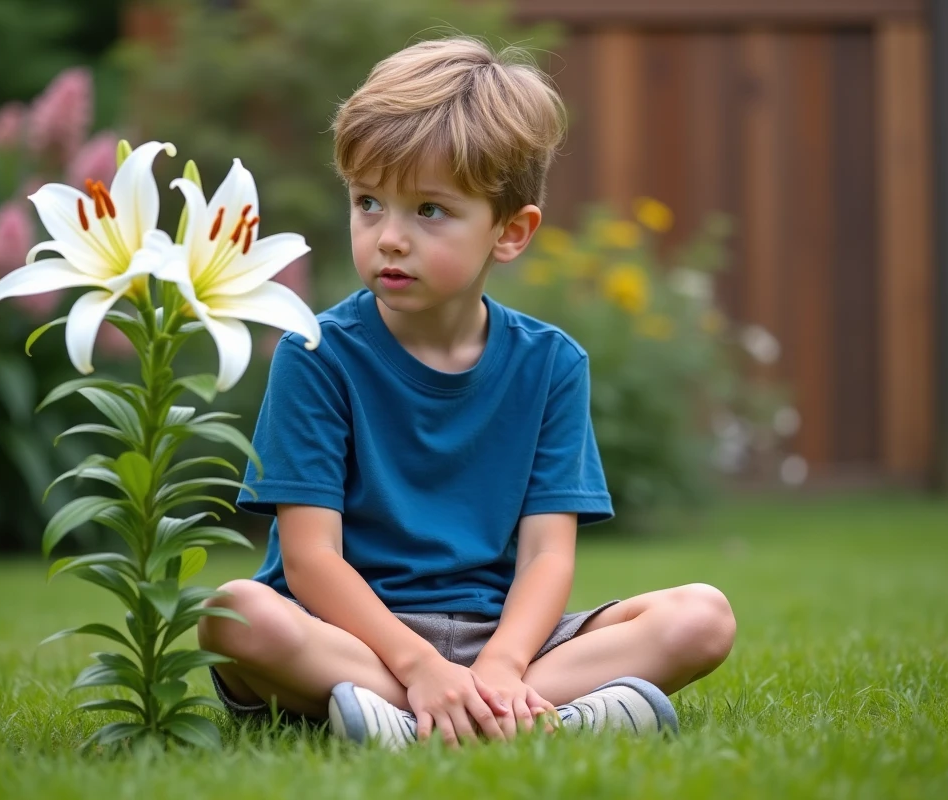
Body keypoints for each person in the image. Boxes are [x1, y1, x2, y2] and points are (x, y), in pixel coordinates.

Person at [197, 36, 736, 749]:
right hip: (347, 633)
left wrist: (508, 663)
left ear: (510, 233)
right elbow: (310, 559)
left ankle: (428, 716)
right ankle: (524, 718)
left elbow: (548, 556)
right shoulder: (316, 353)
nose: (389, 237)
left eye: (428, 211)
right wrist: (418, 663)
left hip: (500, 641)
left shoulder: (551, 365)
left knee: (703, 616)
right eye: (368, 203)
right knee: (235, 615)